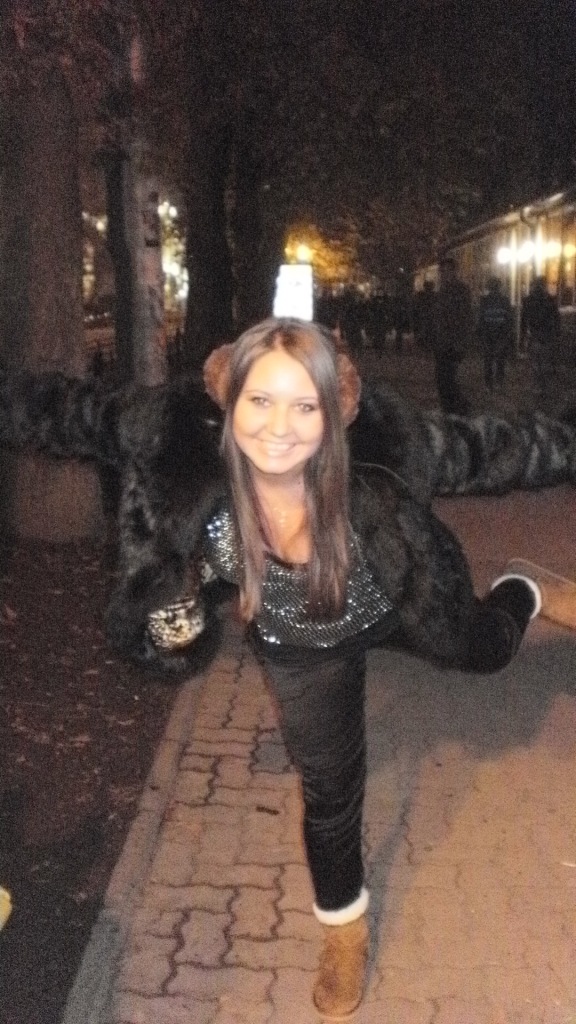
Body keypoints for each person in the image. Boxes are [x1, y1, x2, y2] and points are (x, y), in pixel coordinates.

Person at [195, 317, 541, 1018]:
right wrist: (169, 618)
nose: (279, 427)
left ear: (335, 414)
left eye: (305, 405)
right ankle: (344, 930)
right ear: (230, 401)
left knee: (485, 653)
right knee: (329, 791)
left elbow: (506, 453)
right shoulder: (197, 498)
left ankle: (522, 592)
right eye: (260, 400)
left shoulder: (373, 486)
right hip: (303, 647)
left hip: (395, 608)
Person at [432, 257, 473, 414]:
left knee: (447, 377)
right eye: (442, 271)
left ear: (454, 271)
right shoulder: (442, 291)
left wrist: (461, 341)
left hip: (453, 342)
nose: (444, 274)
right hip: (442, 341)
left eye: (447, 271)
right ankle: (450, 407)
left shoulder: (460, 291)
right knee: (443, 377)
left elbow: (464, 317)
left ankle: (456, 407)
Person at [520, 276, 560, 396]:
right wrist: (557, 333)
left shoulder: (528, 300)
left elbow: (524, 321)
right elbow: (556, 318)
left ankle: (537, 386)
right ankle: (544, 386)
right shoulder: (550, 300)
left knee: (535, 362)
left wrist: (522, 337)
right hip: (547, 335)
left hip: (534, 334)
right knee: (545, 362)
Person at [476, 276, 515, 393]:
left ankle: (489, 384)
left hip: (489, 334)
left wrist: (480, 334)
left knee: (488, 360)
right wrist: (508, 334)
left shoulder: (484, 301)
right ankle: (498, 382)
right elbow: (509, 319)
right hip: (500, 334)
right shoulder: (504, 301)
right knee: (499, 360)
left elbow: (481, 319)